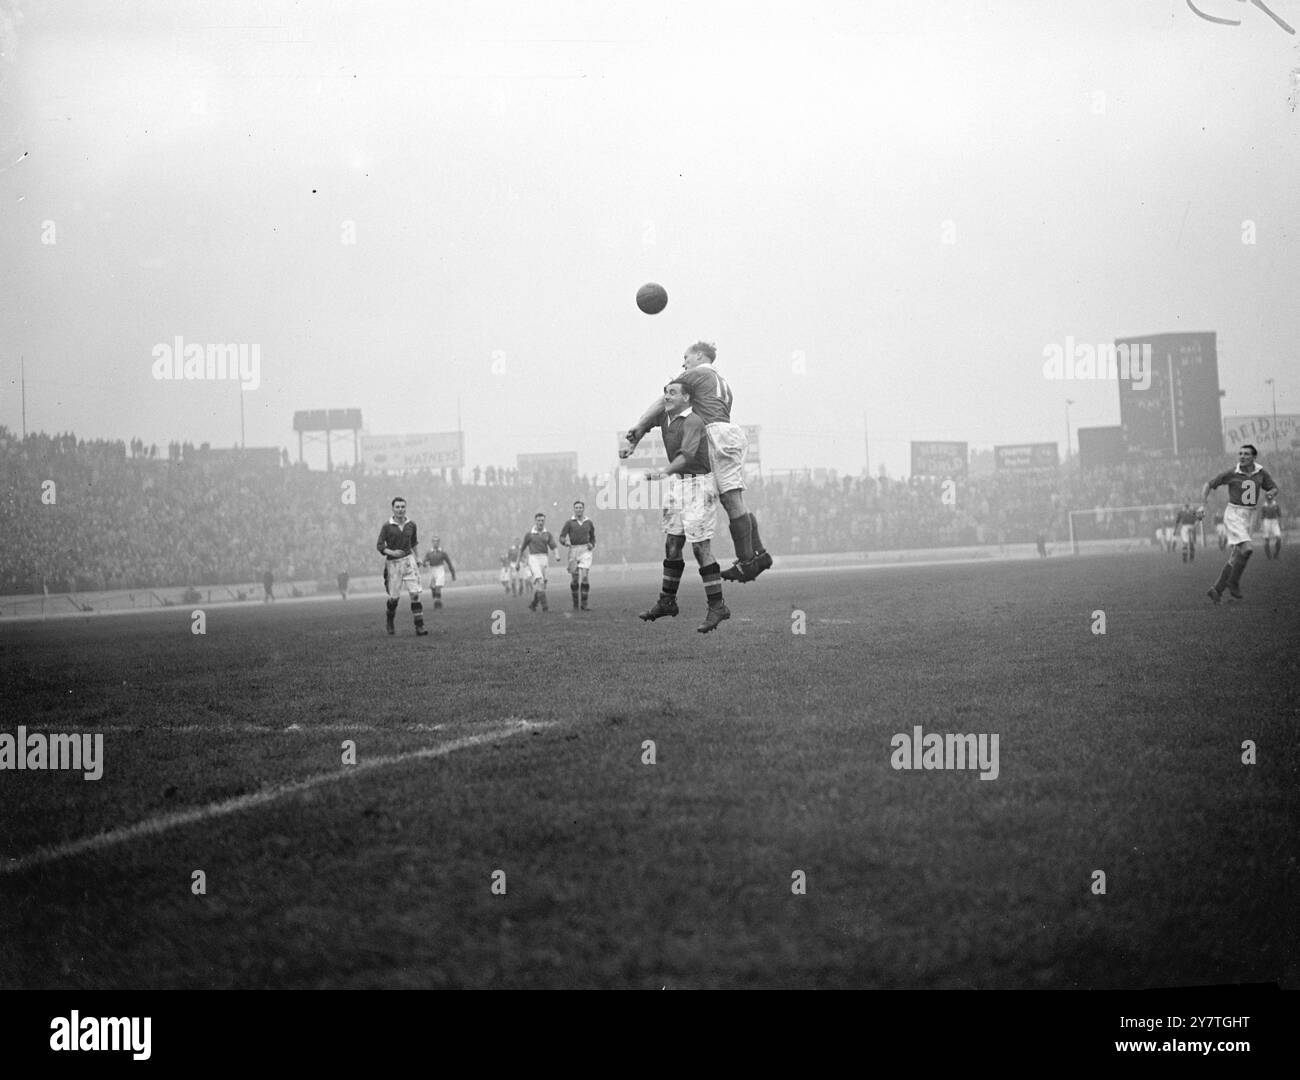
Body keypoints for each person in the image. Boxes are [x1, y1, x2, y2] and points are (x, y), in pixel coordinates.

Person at [621, 340, 772, 583]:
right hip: (728, 432)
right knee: (735, 498)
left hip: (715, 434)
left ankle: (747, 562)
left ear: (700, 355)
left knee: (730, 499)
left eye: (686, 357)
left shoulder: (697, 373)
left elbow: (664, 401)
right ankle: (760, 555)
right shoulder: (721, 382)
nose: (683, 362)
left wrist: (638, 426)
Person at [637, 380, 731, 633]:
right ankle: (667, 601)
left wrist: (662, 472)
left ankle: (717, 606)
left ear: (687, 398)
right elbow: (646, 422)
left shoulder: (693, 421)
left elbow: (688, 455)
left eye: (673, 392)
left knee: (700, 549)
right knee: (672, 544)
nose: (666, 396)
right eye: (665, 392)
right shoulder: (665, 418)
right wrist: (633, 438)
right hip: (679, 485)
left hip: (699, 486)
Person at [1200, 444, 1279, 604]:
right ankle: (1233, 582)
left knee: (1236, 556)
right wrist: (1203, 504)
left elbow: (1274, 488)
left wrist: (1271, 493)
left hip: (1250, 516)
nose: (1242, 456)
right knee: (1248, 548)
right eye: (1240, 453)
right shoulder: (1232, 473)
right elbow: (1208, 484)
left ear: (1254, 457)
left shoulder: (1261, 473)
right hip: (1234, 514)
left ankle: (1216, 590)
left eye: (1246, 454)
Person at [376, 496, 428, 635]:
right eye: (397, 507)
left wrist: (418, 557)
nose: (400, 509)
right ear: (393, 509)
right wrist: (392, 552)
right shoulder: (387, 526)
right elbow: (380, 546)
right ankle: (390, 620)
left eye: (402, 507)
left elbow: (414, 543)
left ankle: (419, 626)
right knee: (394, 598)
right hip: (393, 564)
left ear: (406, 508)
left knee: (415, 594)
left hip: (409, 561)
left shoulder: (411, 524)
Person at [516, 512, 561, 612]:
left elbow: (553, 546)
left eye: (542, 520)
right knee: (540, 582)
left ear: (544, 521)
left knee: (542, 585)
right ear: (535, 521)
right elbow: (522, 549)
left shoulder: (547, 534)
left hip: (544, 558)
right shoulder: (529, 534)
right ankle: (546, 608)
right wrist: (517, 562)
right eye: (538, 520)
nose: (540, 522)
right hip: (533, 559)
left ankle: (533, 604)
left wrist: (557, 555)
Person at [559, 500, 596, 610]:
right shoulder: (569, 523)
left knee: (584, 577)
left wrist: (591, 544)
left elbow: (593, 537)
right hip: (573, 550)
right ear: (574, 509)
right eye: (577, 508)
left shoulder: (589, 522)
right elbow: (561, 537)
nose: (579, 509)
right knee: (575, 579)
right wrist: (565, 542)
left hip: (585, 550)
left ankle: (584, 604)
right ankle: (575, 604)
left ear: (583, 509)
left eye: (580, 507)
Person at [421, 538, 456, 610]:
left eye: (437, 542)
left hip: (440, 569)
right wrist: (425, 564)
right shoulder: (429, 553)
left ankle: (437, 603)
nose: (435, 543)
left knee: (438, 586)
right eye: (434, 542)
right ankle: (436, 601)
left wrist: (453, 574)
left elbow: (449, 563)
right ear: (432, 543)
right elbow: (424, 562)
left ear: (439, 543)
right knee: (433, 587)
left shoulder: (443, 552)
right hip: (432, 569)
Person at [1260, 491, 1282, 559]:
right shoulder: (1264, 506)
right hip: (1266, 522)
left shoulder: (1276, 505)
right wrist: (1261, 526)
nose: (1269, 500)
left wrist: (1281, 524)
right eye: (1268, 499)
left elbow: (1280, 515)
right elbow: (1262, 517)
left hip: (1274, 522)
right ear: (1266, 499)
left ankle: (1276, 554)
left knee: (1279, 538)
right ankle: (1268, 555)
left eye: (1271, 499)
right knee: (1266, 539)